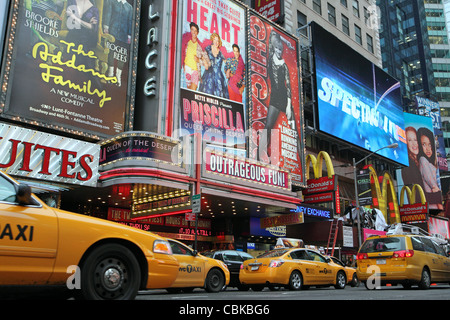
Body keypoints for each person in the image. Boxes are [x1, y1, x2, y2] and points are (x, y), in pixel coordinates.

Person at [258, 31, 293, 162]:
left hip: (285, 98)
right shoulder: (270, 57)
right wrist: (286, 40)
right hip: (274, 98)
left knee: (295, 131)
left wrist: (289, 106)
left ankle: (299, 158)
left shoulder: (284, 65)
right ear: (274, 48)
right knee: (268, 126)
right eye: (277, 48)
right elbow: (273, 33)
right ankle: (258, 157)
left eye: (281, 49)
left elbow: (288, 86)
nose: (279, 51)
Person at [417, 127, 443, 210]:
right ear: (419, 146)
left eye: (430, 144)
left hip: (433, 206)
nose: (428, 149)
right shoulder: (423, 160)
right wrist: (440, 206)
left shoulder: (429, 162)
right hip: (433, 204)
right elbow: (434, 186)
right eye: (424, 144)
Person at [198, 33, 229, 99]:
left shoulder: (221, 53)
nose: (216, 42)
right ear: (212, 40)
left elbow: (228, 63)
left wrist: (228, 70)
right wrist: (204, 60)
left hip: (219, 78)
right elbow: (201, 56)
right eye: (215, 40)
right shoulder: (208, 49)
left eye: (217, 40)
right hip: (208, 76)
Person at [181, 22, 208, 91]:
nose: (194, 32)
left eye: (195, 31)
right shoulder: (186, 42)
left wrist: (199, 60)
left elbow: (206, 63)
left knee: (193, 90)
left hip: (195, 70)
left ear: (197, 33)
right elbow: (182, 54)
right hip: (187, 68)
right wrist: (183, 64)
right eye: (192, 30)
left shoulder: (200, 46)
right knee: (189, 90)